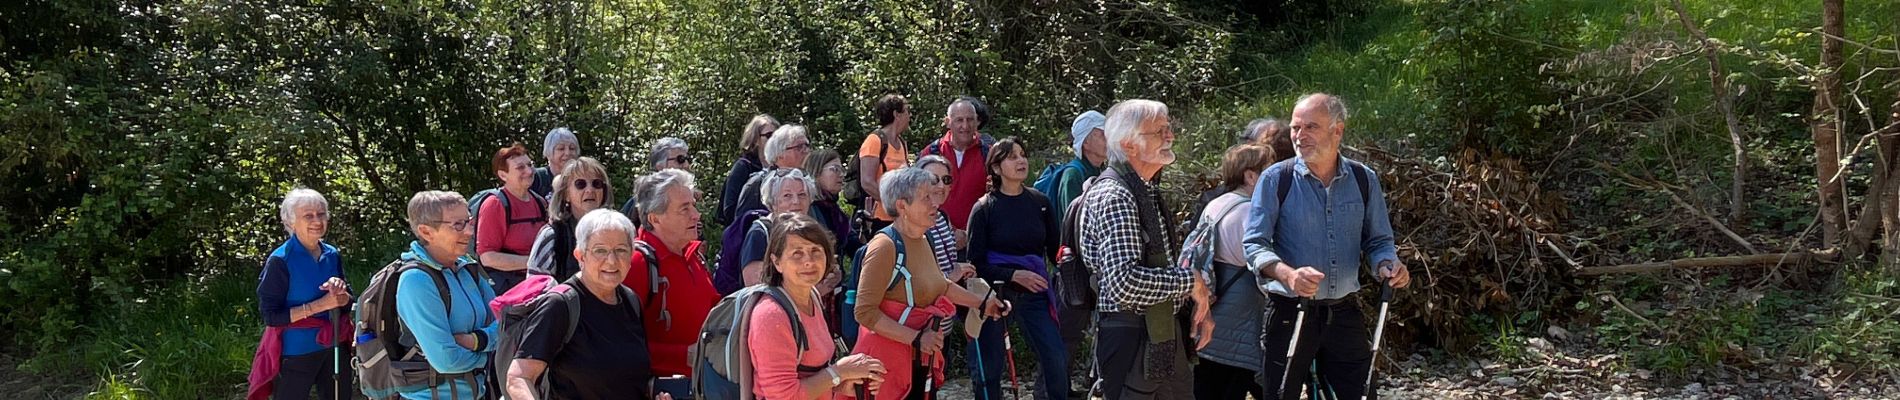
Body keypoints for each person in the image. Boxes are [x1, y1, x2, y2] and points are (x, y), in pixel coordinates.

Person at [1246, 93, 1410, 400]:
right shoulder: (1275, 179)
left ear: (1338, 130)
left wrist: (1387, 264)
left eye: (1311, 127)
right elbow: (1254, 244)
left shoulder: (1363, 179)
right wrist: (1287, 274)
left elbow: (1378, 241)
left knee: (1361, 395)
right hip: (1289, 312)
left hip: (1344, 313)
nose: (1299, 136)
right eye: (1295, 127)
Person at [1077, 99, 1211, 400]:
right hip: (1133, 337)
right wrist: (1190, 282)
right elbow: (1123, 283)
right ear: (1129, 145)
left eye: (1169, 128)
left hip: (1156, 335)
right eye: (1159, 131)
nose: (1170, 136)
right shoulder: (1118, 196)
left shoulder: (1143, 188)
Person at [851, 167, 1010, 400]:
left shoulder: (923, 239)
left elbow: (941, 285)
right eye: (926, 197)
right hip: (887, 367)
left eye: (934, 196)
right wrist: (916, 338)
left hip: (916, 359)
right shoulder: (884, 247)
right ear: (902, 205)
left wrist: (984, 303)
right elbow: (864, 312)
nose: (935, 203)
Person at [506, 210, 662, 400]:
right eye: (600, 250)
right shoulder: (560, 305)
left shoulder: (631, 301)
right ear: (580, 256)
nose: (612, 260)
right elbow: (519, 377)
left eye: (621, 250)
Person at [964, 138, 1068, 400]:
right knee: (990, 367)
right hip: (994, 296)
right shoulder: (983, 208)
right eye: (1012, 157)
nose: (1021, 161)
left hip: (1035, 293)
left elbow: (1055, 251)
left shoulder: (1040, 203)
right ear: (996, 168)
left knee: (1056, 357)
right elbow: (975, 264)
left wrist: (1069, 259)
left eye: (1022, 155)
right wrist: (1013, 274)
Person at [749, 212, 888, 400]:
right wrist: (840, 372)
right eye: (797, 253)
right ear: (777, 262)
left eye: (816, 251)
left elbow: (809, 375)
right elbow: (784, 396)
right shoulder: (771, 316)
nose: (808, 261)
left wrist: (842, 385)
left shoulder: (812, 296)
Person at [394, 190, 501, 399]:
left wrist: (475, 341)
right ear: (426, 232)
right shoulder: (415, 281)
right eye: (457, 225)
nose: (470, 231)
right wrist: (489, 354)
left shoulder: (467, 268)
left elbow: (503, 322)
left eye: (469, 221)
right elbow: (446, 360)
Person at [249, 189, 353, 400]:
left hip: (333, 346)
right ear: (290, 222)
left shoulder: (331, 254)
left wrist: (341, 294)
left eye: (321, 214)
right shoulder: (280, 260)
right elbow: (271, 316)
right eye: (308, 215)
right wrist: (321, 305)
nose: (317, 220)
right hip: (296, 352)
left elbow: (347, 301)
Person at [1193, 145, 1275, 400]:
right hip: (1239, 315)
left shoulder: (1217, 203)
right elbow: (1260, 266)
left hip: (1212, 305)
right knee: (1234, 382)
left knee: (1209, 383)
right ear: (1250, 176)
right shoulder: (1249, 211)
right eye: (1269, 170)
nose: (1274, 176)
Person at [627, 169, 722, 378]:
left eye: (693, 206)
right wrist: (681, 355)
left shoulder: (694, 256)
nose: (696, 215)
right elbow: (617, 343)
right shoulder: (637, 263)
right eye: (684, 209)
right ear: (655, 218)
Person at [1050, 110, 1107, 395]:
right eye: (1100, 133)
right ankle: (1050, 390)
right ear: (1086, 141)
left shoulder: (1099, 172)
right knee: (1066, 334)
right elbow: (1070, 221)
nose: (1106, 138)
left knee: (1078, 332)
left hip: (1094, 268)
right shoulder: (1074, 173)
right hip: (1074, 269)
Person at [478, 143, 550, 293]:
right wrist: (533, 262)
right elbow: (487, 257)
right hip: (508, 290)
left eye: (530, 165)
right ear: (503, 175)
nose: (529, 171)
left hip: (538, 284)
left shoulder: (540, 202)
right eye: (520, 168)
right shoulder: (495, 205)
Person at [530, 157, 614, 280]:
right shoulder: (552, 235)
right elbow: (535, 288)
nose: (590, 190)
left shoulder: (615, 232)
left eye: (597, 184)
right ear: (566, 194)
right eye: (580, 184)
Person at [917, 97, 988, 233]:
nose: (965, 126)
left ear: (977, 121)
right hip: (936, 234)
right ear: (948, 122)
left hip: (976, 237)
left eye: (970, 119)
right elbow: (918, 195)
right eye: (959, 120)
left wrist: (967, 234)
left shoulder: (987, 154)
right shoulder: (931, 153)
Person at [738, 168, 818, 287]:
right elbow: (754, 286)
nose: (796, 201)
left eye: (802, 195)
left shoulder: (809, 231)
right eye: (787, 196)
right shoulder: (760, 233)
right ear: (773, 202)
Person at [913, 155, 975, 282]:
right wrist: (950, 277)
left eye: (946, 179)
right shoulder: (912, 221)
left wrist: (962, 271)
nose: (941, 185)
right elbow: (914, 278)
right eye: (933, 179)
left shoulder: (942, 217)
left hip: (948, 296)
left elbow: (949, 265)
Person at [858, 94, 914, 232]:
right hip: (877, 219)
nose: (909, 116)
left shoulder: (902, 143)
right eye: (907, 111)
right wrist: (891, 204)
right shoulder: (874, 141)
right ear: (897, 114)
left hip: (898, 218)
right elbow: (867, 182)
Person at [736, 124, 815, 217]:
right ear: (779, 154)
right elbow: (743, 223)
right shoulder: (758, 183)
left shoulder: (806, 182)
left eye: (807, 145)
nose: (806, 151)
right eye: (799, 147)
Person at [720, 114, 781, 225]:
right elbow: (729, 208)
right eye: (769, 135)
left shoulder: (780, 166)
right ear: (755, 139)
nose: (774, 141)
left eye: (777, 136)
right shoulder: (743, 167)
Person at [622, 137, 691, 224]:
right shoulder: (643, 200)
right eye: (680, 159)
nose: (686, 165)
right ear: (660, 166)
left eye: (687, 159)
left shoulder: (688, 197)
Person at [533, 127, 581, 199]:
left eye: (572, 148)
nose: (567, 153)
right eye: (561, 148)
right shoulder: (536, 178)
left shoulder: (583, 179)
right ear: (548, 153)